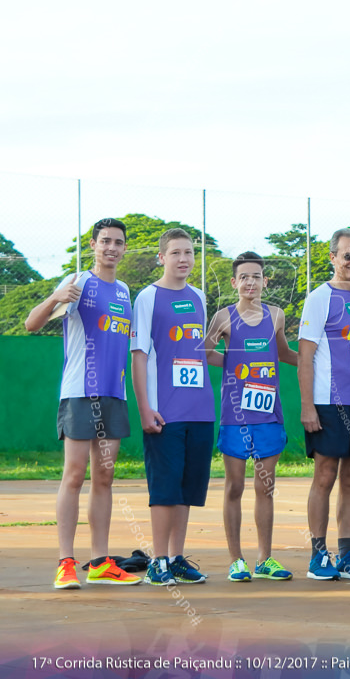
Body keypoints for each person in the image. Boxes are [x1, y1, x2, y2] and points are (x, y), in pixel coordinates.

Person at [25, 218, 141, 589]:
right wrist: (54, 298)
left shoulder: (124, 290)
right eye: (105, 241)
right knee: (74, 475)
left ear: (124, 249)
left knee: (104, 477)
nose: (111, 247)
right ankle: (65, 563)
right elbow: (31, 323)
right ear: (92, 245)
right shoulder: (76, 282)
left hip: (113, 394)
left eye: (118, 242)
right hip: (79, 391)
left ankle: (102, 562)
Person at [131, 228, 218, 585]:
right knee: (164, 488)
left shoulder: (198, 296)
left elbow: (204, 352)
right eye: (176, 253)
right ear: (162, 257)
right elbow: (139, 358)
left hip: (200, 409)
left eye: (189, 253)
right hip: (164, 411)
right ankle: (158, 560)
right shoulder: (147, 298)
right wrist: (145, 408)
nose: (184, 259)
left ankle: (177, 558)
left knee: (187, 488)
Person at [206, 251, 298, 582]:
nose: (250, 282)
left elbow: (284, 352)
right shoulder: (223, 317)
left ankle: (265, 559)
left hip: (268, 415)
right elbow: (203, 352)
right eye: (243, 277)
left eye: (256, 276)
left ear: (265, 281)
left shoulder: (276, 315)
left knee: (265, 488)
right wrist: (230, 362)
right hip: (235, 416)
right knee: (234, 487)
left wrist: (316, 364)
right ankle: (236, 560)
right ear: (234, 282)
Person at [298, 229, 350, 581]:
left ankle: (346, 556)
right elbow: (304, 357)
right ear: (332, 258)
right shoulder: (319, 298)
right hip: (328, 403)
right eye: (348, 256)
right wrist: (307, 407)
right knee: (325, 476)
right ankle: (319, 555)